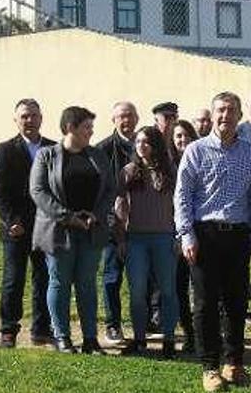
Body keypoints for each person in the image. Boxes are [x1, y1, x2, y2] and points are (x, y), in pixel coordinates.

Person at [175, 92, 251, 393]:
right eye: (221, 111)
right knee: (205, 304)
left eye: (231, 111)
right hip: (204, 236)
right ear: (212, 115)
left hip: (237, 235)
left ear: (239, 116)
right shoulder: (196, 151)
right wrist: (186, 234)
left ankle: (234, 363)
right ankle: (210, 367)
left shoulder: (249, 152)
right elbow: (182, 196)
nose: (226, 116)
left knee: (237, 303)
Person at [30, 106, 115, 354]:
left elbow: (110, 189)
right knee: (59, 283)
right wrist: (68, 217)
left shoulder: (97, 155)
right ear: (70, 128)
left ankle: (90, 339)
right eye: (86, 127)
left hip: (91, 230)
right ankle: (63, 337)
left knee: (87, 284)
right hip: (58, 232)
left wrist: (95, 215)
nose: (91, 131)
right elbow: (39, 192)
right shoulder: (46, 156)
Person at [0, 98, 55, 349]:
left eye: (33, 115)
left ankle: (41, 330)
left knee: (45, 279)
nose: (29, 120)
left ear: (41, 118)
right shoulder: (4, 150)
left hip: (45, 227)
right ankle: (8, 331)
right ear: (16, 120)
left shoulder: (53, 149)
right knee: (13, 280)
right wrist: (10, 221)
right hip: (16, 228)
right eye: (24, 116)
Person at [115, 126, 179, 359]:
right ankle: (140, 338)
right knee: (137, 291)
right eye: (138, 142)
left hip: (164, 238)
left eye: (146, 142)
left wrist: (179, 236)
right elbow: (120, 208)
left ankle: (169, 338)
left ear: (156, 145)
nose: (141, 146)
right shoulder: (128, 172)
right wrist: (121, 239)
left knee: (168, 290)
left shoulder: (170, 171)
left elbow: (180, 206)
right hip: (136, 240)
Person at [96, 101, 138, 344]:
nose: (126, 120)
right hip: (112, 224)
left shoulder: (146, 145)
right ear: (113, 120)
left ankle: (145, 323)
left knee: (142, 279)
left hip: (142, 223)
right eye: (121, 116)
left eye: (130, 115)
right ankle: (113, 325)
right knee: (112, 277)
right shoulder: (102, 149)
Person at [170, 119, 199, 354]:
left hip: (199, 234)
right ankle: (189, 333)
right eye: (178, 136)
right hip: (172, 236)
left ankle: (204, 333)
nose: (182, 140)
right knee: (179, 287)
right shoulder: (167, 165)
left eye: (186, 135)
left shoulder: (200, 159)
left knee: (201, 289)